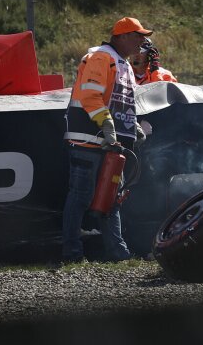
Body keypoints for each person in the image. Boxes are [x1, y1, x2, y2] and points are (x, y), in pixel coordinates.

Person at [62, 17, 151, 263]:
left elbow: (119, 102)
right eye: (138, 35)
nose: (142, 41)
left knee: (111, 200)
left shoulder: (123, 64)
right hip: (87, 139)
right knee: (80, 197)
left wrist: (130, 126)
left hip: (111, 145)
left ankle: (119, 255)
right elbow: (90, 96)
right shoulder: (101, 57)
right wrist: (108, 124)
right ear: (121, 36)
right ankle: (72, 255)